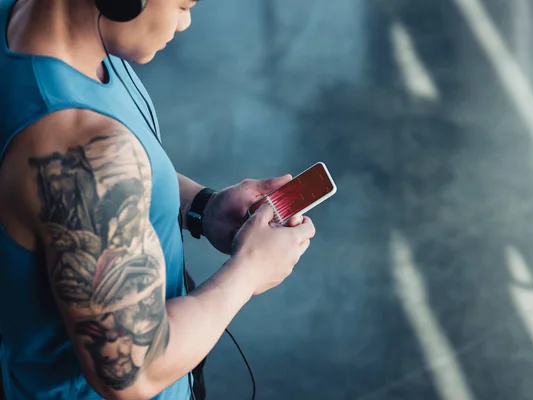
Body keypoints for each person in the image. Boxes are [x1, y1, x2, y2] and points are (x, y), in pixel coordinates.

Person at [0, 0, 316, 399]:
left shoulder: (33, 27)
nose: (185, 22)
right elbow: (134, 370)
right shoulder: (80, 146)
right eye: (183, 5)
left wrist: (202, 206)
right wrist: (249, 270)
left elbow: (94, 186)